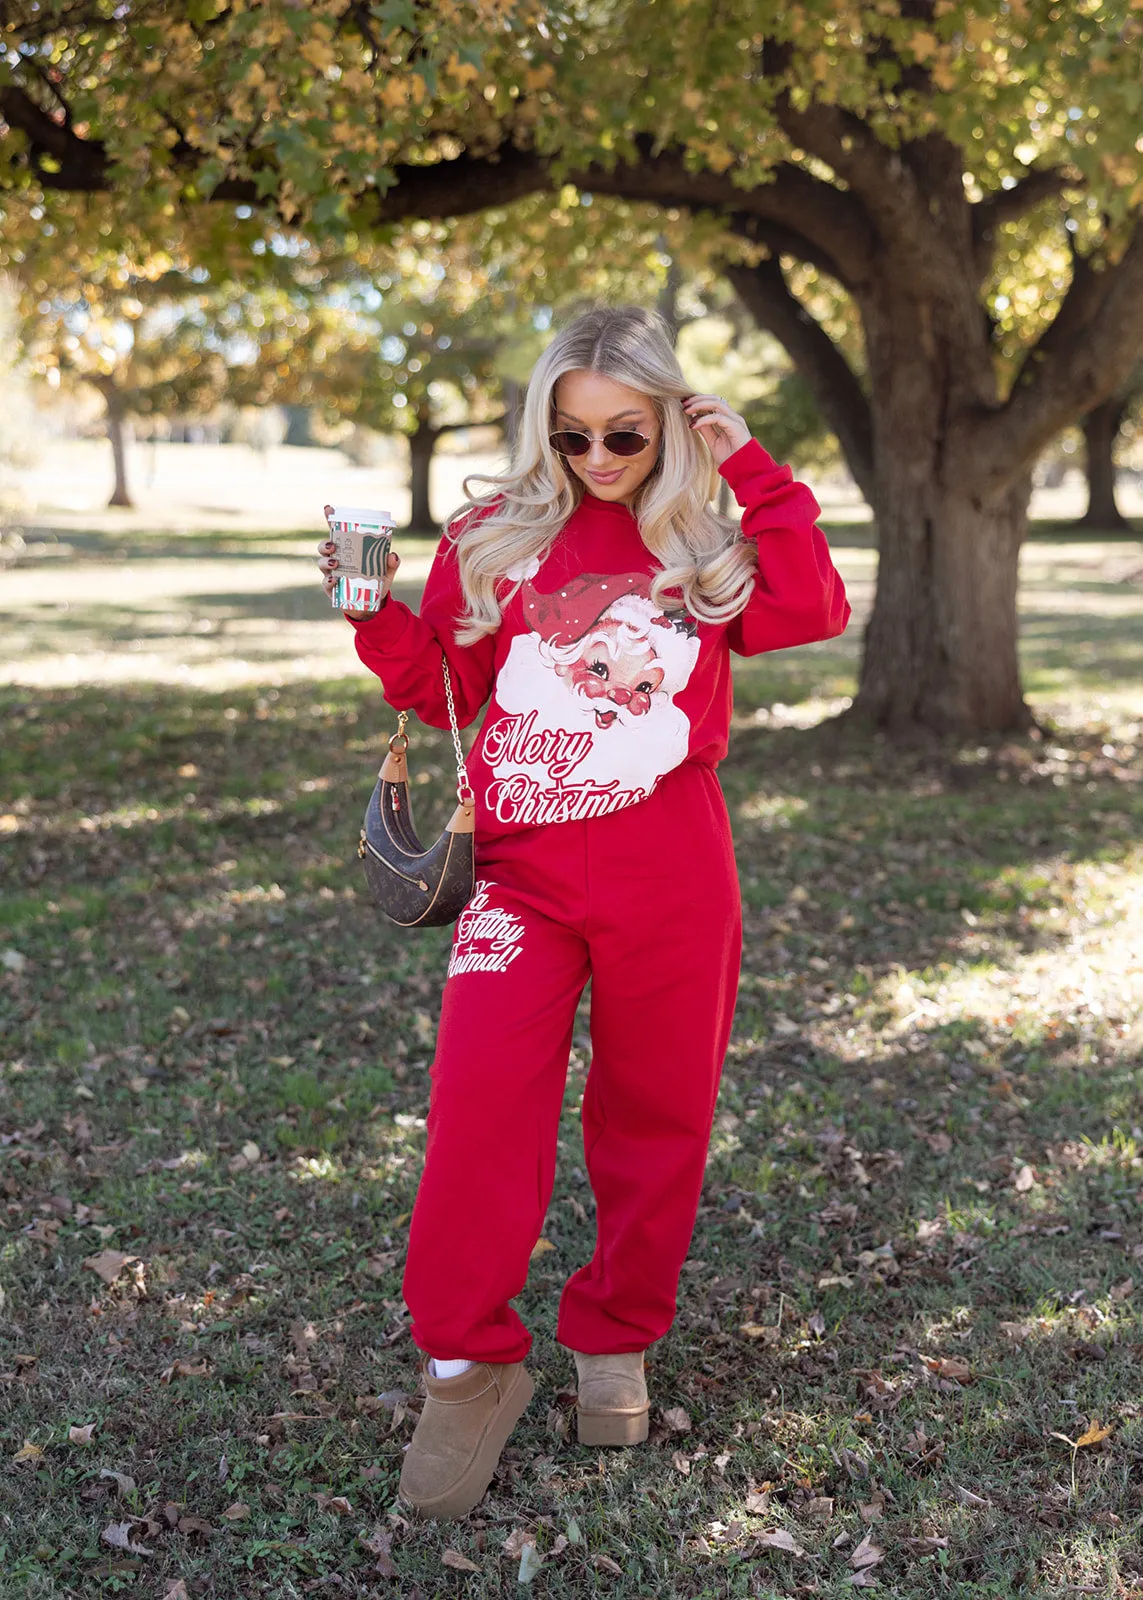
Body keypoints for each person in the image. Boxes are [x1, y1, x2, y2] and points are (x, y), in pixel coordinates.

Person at [316, 304, 850, 1520]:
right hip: (519, 874)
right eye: (571, 439)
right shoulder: (493, 538)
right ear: (541, 433)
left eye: (624, 435)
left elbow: (814, 611)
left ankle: (616, 1334)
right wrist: (375, 614)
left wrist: (756, 469)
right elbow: (448, 685)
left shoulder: (708, 537)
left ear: (669, 421)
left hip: (674, 872)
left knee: (657, 1110)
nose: (599, 462)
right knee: (477, 1103)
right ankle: (466, 1366)